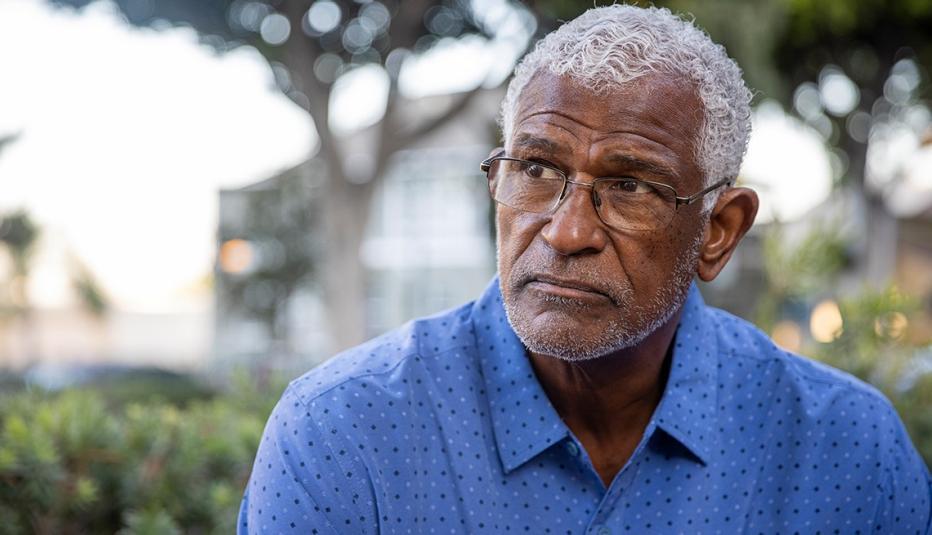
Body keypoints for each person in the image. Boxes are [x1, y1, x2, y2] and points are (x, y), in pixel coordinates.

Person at [238, 5, 931, 534]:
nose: (567, 231)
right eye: (536, 169)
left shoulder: (848, 451)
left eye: (630, 185)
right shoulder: (342, 433)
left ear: (718, 233)